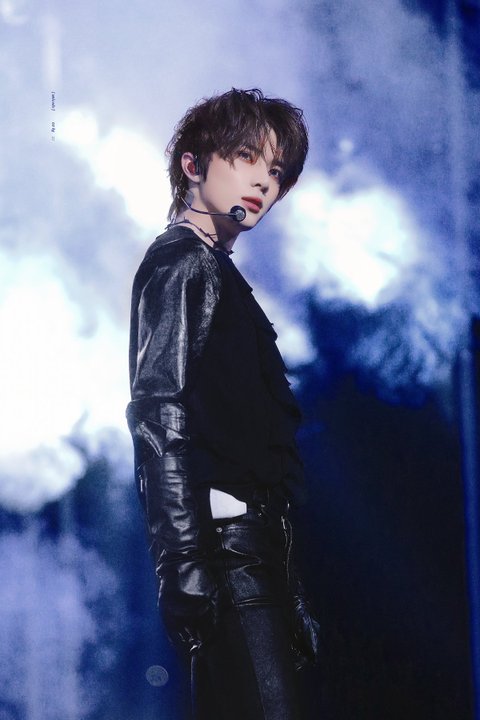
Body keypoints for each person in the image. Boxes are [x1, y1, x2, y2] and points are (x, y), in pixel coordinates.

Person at [126, 88, 320, 720]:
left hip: (251, 553)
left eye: (276, 172)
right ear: (193, 165)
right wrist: (182, 562)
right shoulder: (182, 263)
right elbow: (159, 414)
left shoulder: (216, 271)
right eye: (246, 158)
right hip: (225, 555)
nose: (264, 182)